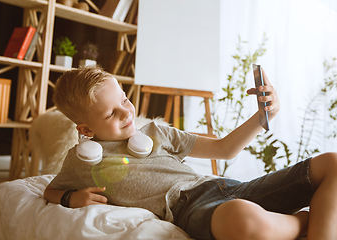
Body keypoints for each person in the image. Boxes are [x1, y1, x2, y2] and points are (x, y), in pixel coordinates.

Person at [44, 65, 337, 240]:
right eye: (111, 113)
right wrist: (71, 197)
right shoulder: (81, 161)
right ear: (86, 129)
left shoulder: (157, 132)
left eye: (125, 99)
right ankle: (304, 221)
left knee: (332, 163)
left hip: (223, 187)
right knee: (242, 217)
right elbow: (50, 190)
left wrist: (265, 115)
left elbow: (225, 148)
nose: (127, 112)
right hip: (191, 209)